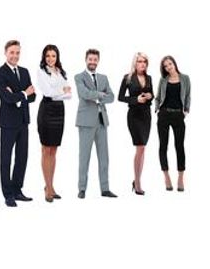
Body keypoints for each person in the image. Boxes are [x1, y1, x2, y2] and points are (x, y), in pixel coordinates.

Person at [0, 40, 37, 207]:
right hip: (7, 122)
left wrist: (19, 95)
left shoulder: (24, 72)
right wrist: (24, 93)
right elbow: (6, 98)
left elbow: (33, 97)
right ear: (5, 53)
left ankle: (18, 190)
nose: (15, 56)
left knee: (22, 157)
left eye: (18, 52)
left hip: (23, 121)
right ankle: (8, 194)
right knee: (5, 159)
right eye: (12, 52)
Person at [73, 49, 117, 198]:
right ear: (86, 60)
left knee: (104, 157)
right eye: (90, 59)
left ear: (98, 61)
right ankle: (82, 188)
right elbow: (83, 94)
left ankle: (105, 189)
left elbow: (112, 97)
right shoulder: (79, 77)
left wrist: (98, 97)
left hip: (102, 121)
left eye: (95, 59)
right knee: (84, 156)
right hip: (86, 122)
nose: (92, 62)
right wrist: (100, 95)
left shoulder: (104, 78)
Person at [35, 45, 73, 201]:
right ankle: (48, 188)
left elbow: (69, 94)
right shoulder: (41, 71)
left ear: (57, 57)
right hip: (47, 111)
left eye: (53, 56)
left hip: (59, 112)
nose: (51, 59)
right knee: (46, 150)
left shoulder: (61, 72)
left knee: (54, 151)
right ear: (44, 57)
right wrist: (62, 92)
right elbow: (47, 93)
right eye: (48, 56)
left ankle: (50, 185)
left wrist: (61, 93)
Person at [118, 53, 154, 195]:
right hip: (134, 116)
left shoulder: (149, 78)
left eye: (145, 61)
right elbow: (120, 97)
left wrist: (151, 96)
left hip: (146, 115)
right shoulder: (127, 78)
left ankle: (136, 180)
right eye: (140, 61)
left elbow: (151, 95)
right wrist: (135, 100)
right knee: (140, 147)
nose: (142, 64)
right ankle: (137, 183)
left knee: (142, 148)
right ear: (135, 63)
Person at [154, 56, 189, 192]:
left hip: (178, 115)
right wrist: (157, 109)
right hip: (163, 115)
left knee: (179, 146)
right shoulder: (163, 80)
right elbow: (158, 97)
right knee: (163, 145)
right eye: (166, 66)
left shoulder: (185, 78)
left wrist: (186, 111)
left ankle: (180, 177)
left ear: (174, 63)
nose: (168, 67)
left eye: (170, 64)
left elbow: (188, 96)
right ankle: (166, 176)